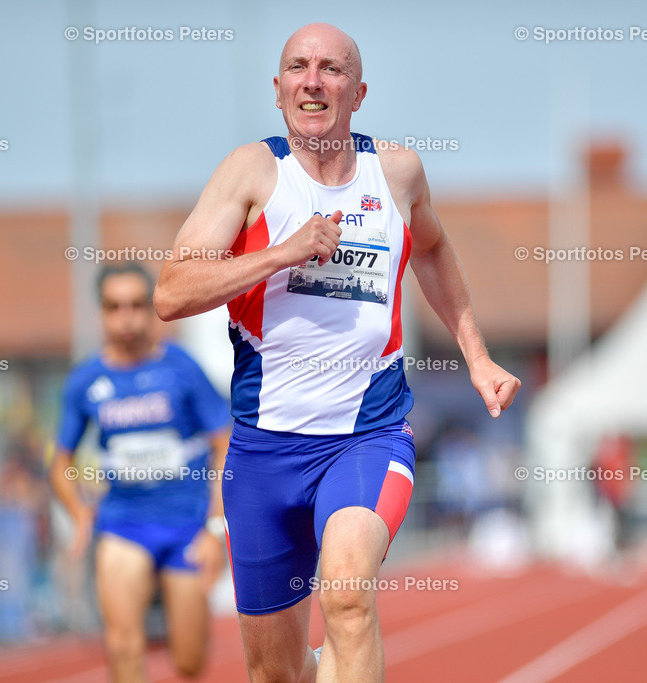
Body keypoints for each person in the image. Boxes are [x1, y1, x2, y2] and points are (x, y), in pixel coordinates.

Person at [154, 23, 521, 682]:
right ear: (278, 89)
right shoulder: (251, 172)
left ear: (358, 91)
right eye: (299, 67)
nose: (313, 80)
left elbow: (433, 248)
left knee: (347, 592)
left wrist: (478, 356)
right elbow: (172, 291)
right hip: (264, 450)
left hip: (367, 436)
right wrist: (280, 252)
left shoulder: (399, 172)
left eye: (331, 69)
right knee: (277, 672)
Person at [50, 262, 231, 682]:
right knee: (123, 643)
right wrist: (79, 514)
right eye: (114, 306)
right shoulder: (85, 381)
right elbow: (60, 463)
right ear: (101, 312)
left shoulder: (182, 368)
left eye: (135, 305)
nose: (126, 316)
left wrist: (216, 528)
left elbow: (223, 446)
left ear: (151, 309)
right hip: (122, 524)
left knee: (188, 660)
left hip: (187, 526)